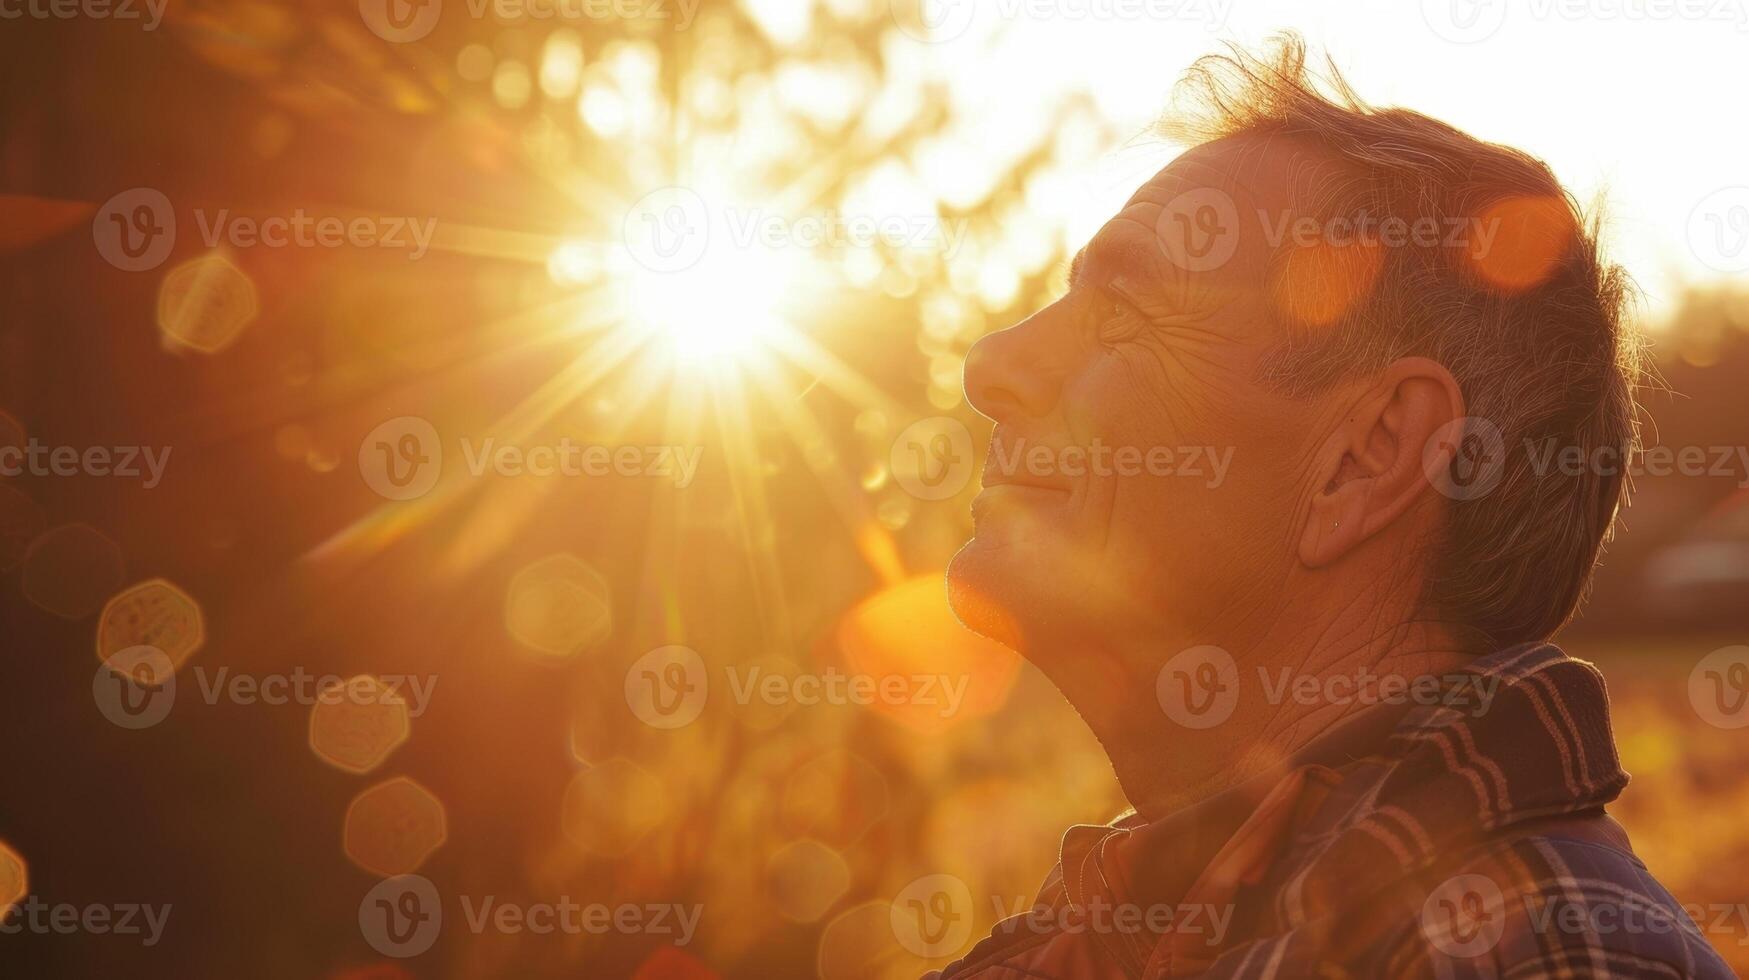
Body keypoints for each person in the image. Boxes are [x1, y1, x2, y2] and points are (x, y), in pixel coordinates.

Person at [938, 34, 1733, 979]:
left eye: (1126, 311)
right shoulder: (1126, 930)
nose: (991, 366)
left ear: (1366, 457)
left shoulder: (1551, 956)